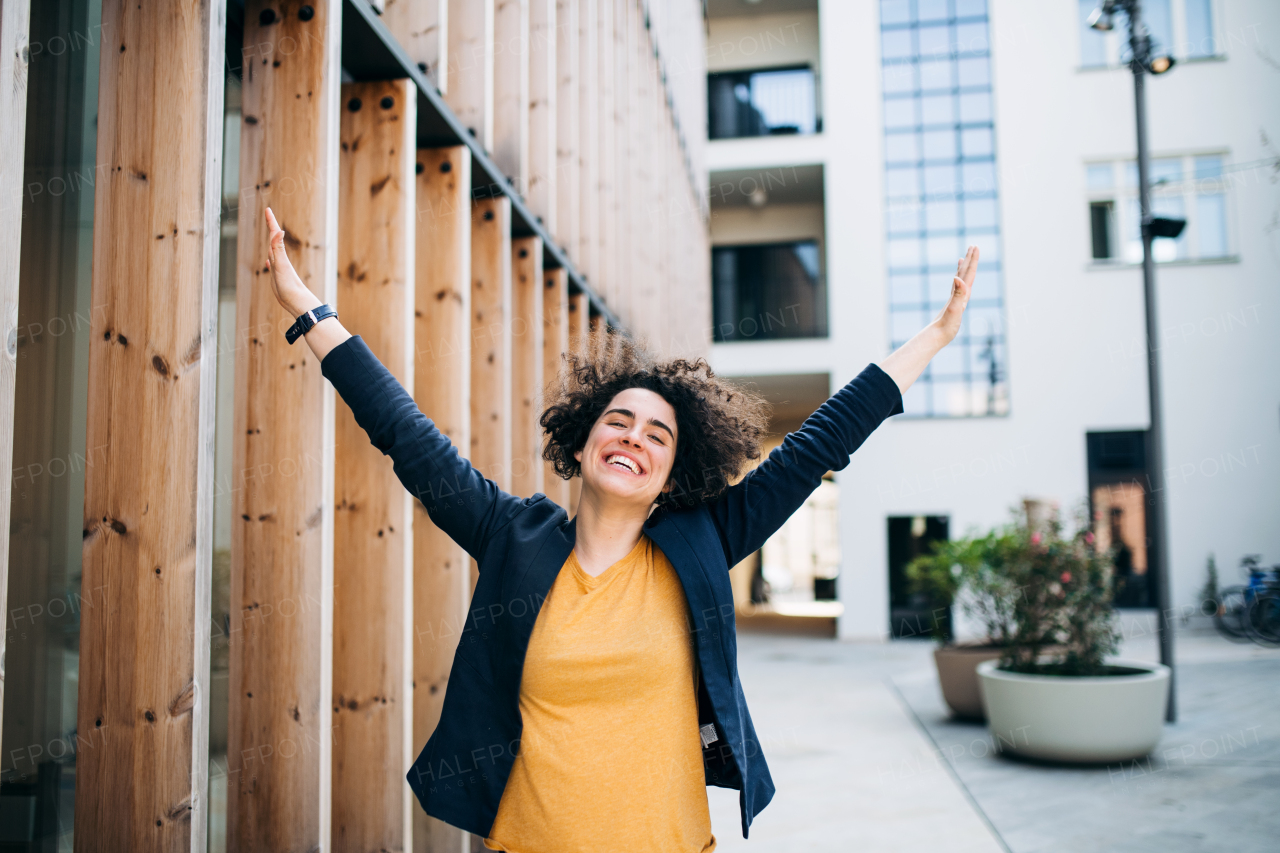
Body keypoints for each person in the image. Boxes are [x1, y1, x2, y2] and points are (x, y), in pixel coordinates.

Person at [262, 207, 979, 851]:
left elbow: (817, 445)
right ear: (582, 444)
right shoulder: (511, 534)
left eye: (657, 434)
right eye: (618, 420)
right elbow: (407, 436)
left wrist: (935, 337)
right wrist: (307, 309)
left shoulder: (703, 542)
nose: (634, 437)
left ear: (673, 472)